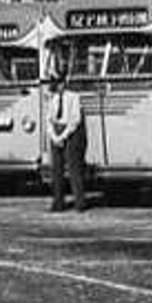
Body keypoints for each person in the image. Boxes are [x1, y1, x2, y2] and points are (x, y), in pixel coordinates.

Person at [47, 71, 88, 212]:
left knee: (73, 169)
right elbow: (49, 120)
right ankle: (58, 202)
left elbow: (75, 119)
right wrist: (54, 136)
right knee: (56, 170)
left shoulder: (74, 97)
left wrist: (63, 136)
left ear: (64, 82)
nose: (58, 86)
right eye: (55, 83)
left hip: (71, 133)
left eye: (59, 82)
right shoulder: (52, 99)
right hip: (57, 131)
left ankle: (79, 202)